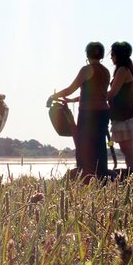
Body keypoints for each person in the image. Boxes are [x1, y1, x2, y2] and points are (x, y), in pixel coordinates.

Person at [48, 42, 110, 180]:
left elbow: (71, 89)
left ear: (87, 54)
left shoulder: (87, 69)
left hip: (89, 113)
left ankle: (86, 174)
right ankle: (101, 174)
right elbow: (97, 93)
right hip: (103, 112)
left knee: (84, 144)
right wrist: (71, 101)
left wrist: (53, 96)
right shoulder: (105, 71)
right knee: (99, 145)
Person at [107, 41, 133, 180]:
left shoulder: (122, 70)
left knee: (128, 150)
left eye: (112, 54)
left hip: (124, 116)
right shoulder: (128, 69)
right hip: (127, 114)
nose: (111, 57)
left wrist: (91, 96)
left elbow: (112, 93)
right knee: (131, 150)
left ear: (118, 55)